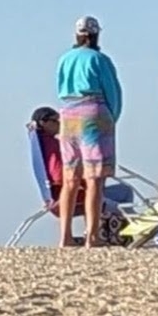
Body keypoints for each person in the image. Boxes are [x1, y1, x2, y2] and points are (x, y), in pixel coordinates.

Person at [55, 16, 122, 250]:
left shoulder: (64, 59)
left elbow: (59, 87)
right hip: (94, 112)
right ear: (95, 35)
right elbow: (112, 91)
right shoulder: (99, 59)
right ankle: (92, 235)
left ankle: (65, 236)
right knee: (94, 178)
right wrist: (112, 117)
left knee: (70, 178)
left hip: (68, 113)